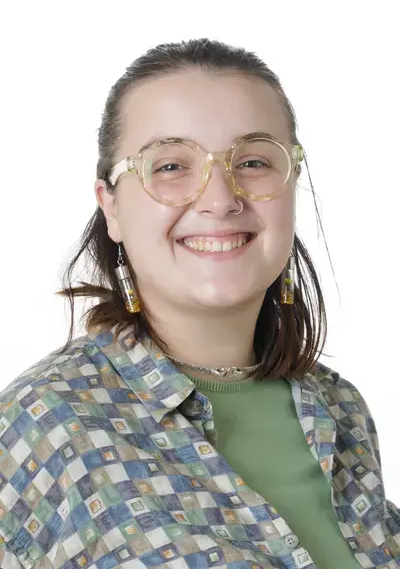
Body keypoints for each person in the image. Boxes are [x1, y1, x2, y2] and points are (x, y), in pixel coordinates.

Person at [0, 38, 398, 569]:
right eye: (169, 166)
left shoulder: (340, 409)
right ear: (111, 207)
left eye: (253, 161)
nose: (219, 198)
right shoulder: (42, 423)